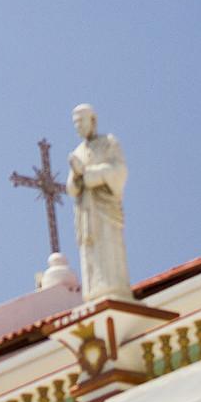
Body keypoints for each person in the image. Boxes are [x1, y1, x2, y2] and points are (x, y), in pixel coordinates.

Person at [66, 105, 134, 301]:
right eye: (75, 124)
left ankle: (113, 289)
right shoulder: (78, 152)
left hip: (106, 209)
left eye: (81, 122)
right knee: (90, 248)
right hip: (87, 212)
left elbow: (119, 170)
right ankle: (94, 291)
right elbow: (72, 188)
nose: (78, 127)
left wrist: (91, 174)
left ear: (92, 121)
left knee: (109, 246)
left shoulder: (108, 143)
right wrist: (77, 176)